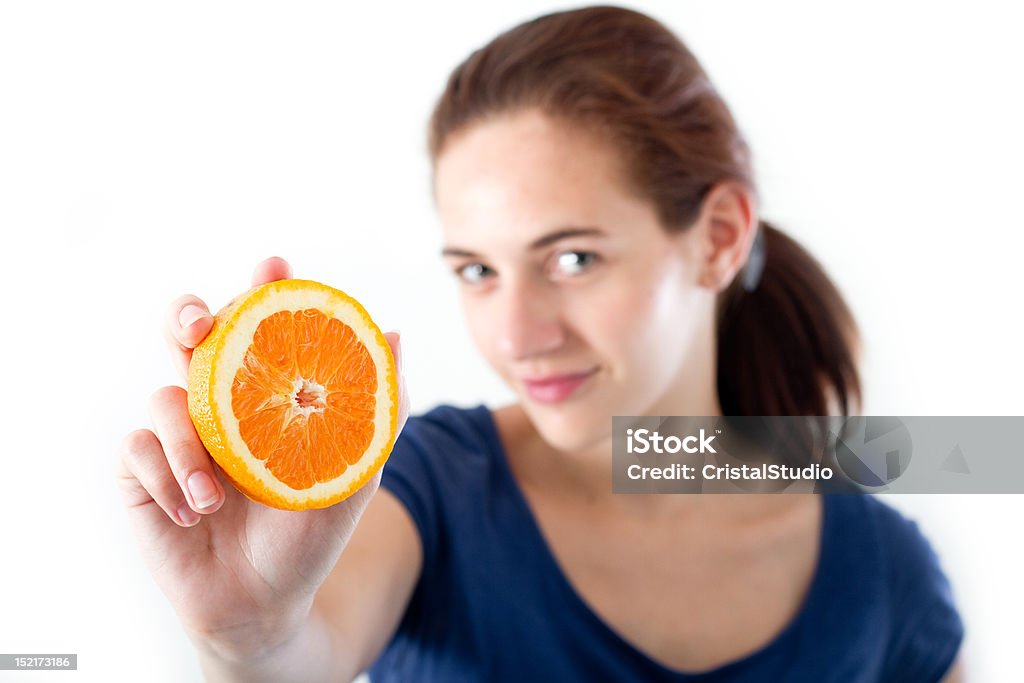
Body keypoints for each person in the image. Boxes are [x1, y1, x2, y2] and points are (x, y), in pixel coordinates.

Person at [118, 6, 965, 681]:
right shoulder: (432, 484)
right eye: (478, 270)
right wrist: (249, 635)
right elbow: (297, 658)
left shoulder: (885, 576)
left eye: (573, 258)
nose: (516, 335)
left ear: (717, 238)